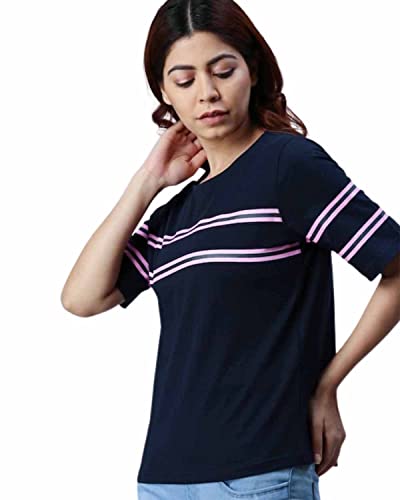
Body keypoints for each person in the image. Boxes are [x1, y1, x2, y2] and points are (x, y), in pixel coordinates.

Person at [61, 1, 400, 499]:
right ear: (164, 93)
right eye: (184, 80)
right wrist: (147, 181)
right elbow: (82, 298)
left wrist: (327, 384)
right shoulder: (178, 212)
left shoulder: (288, 166)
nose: (207, 93)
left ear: (252, 70)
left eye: (223, 71)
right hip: (164, 479)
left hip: (259, 473)